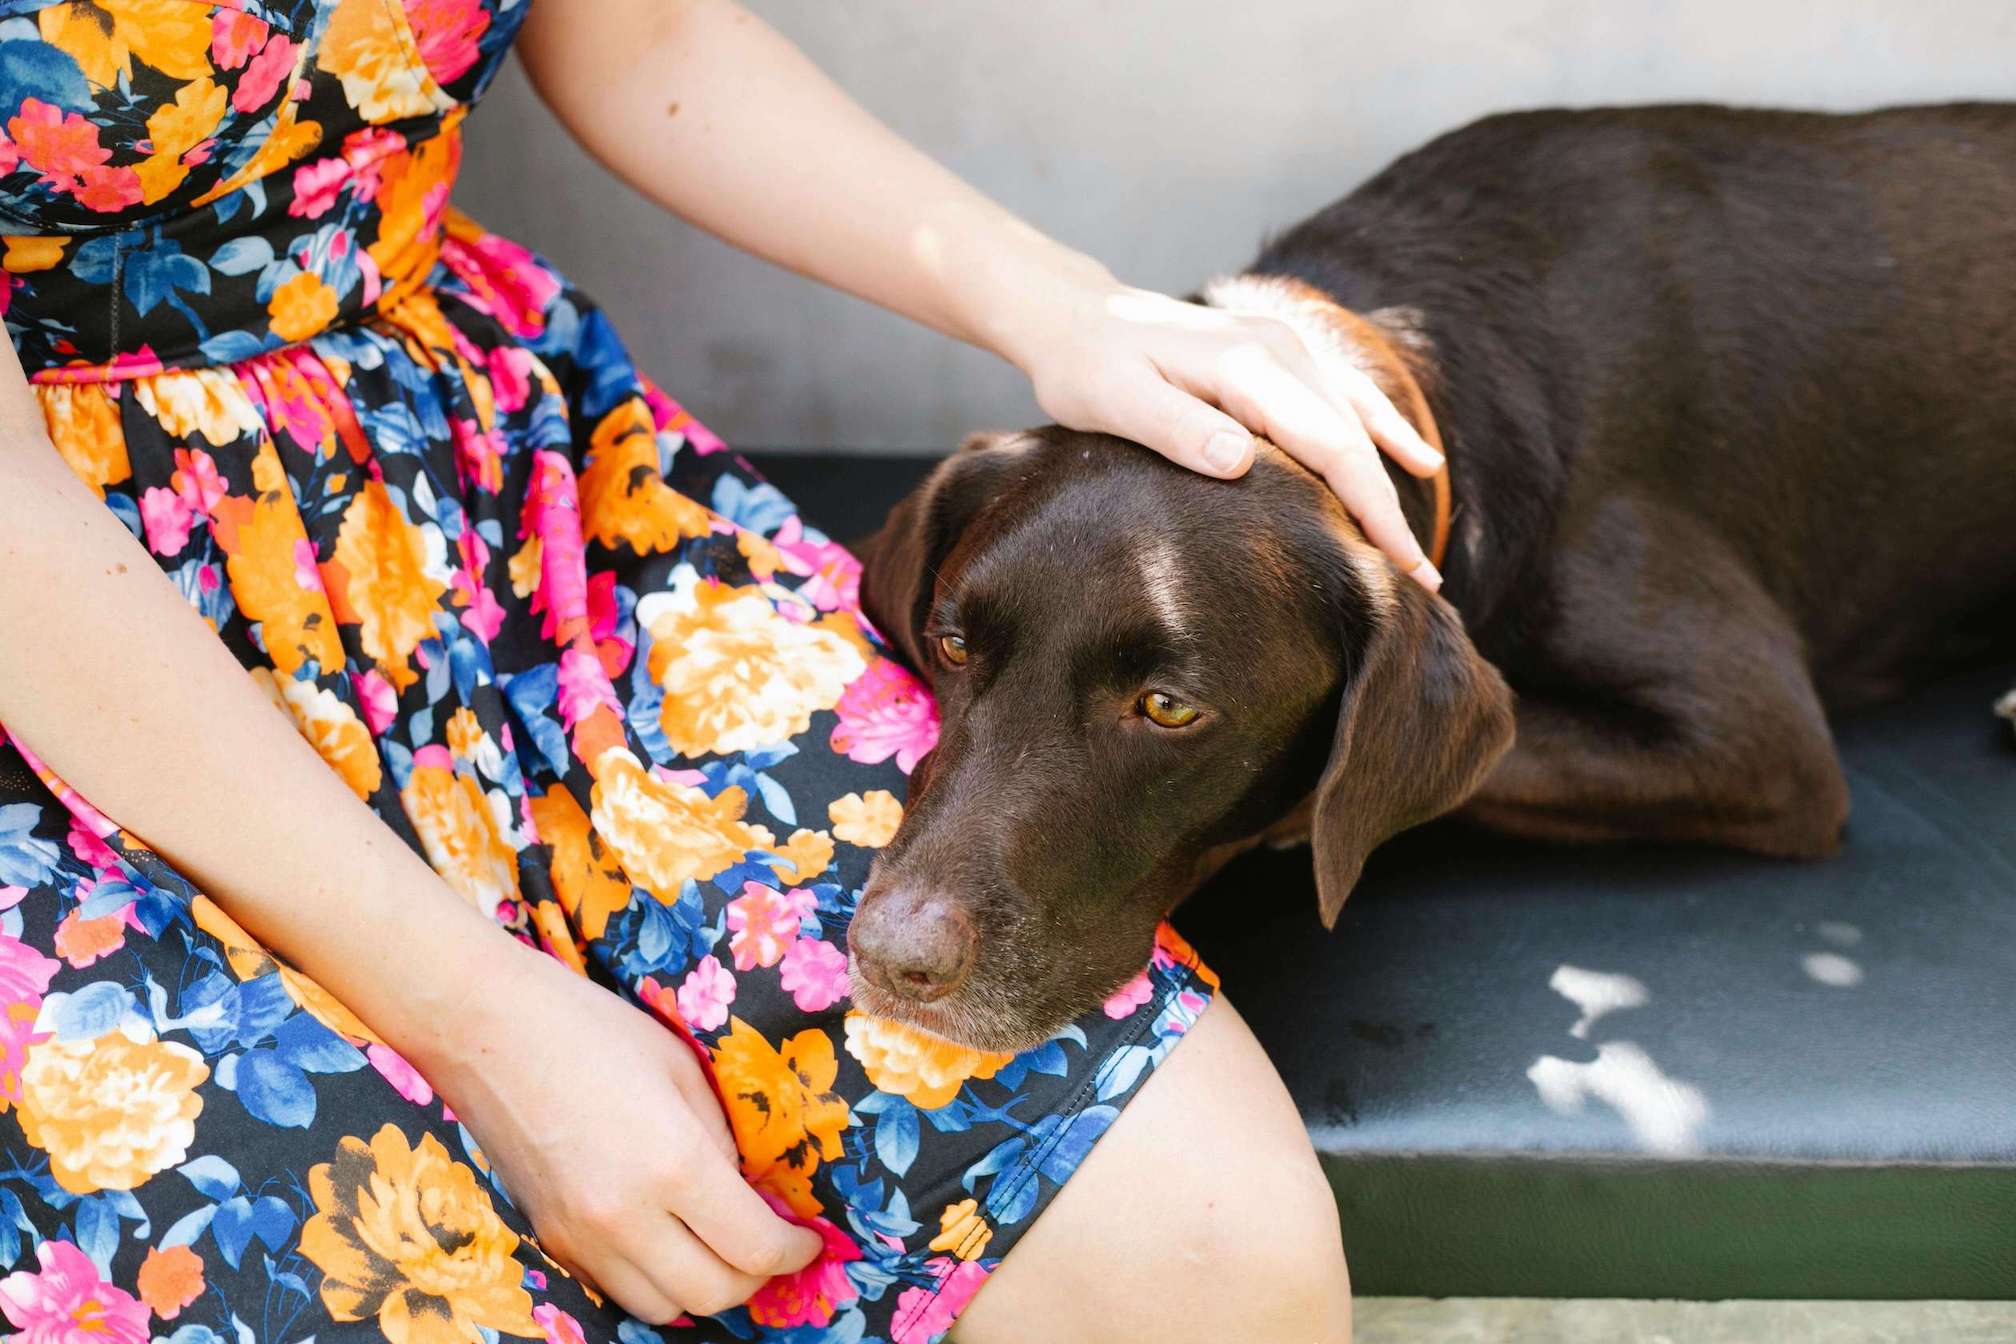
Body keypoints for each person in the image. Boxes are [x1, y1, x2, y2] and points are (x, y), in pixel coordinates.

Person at [0, 2, 1435, 1340]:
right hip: (63, 657)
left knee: (1196, 1249)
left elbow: (642, 34)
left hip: (501, 516)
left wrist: (1062, 307)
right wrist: (474, 1012)